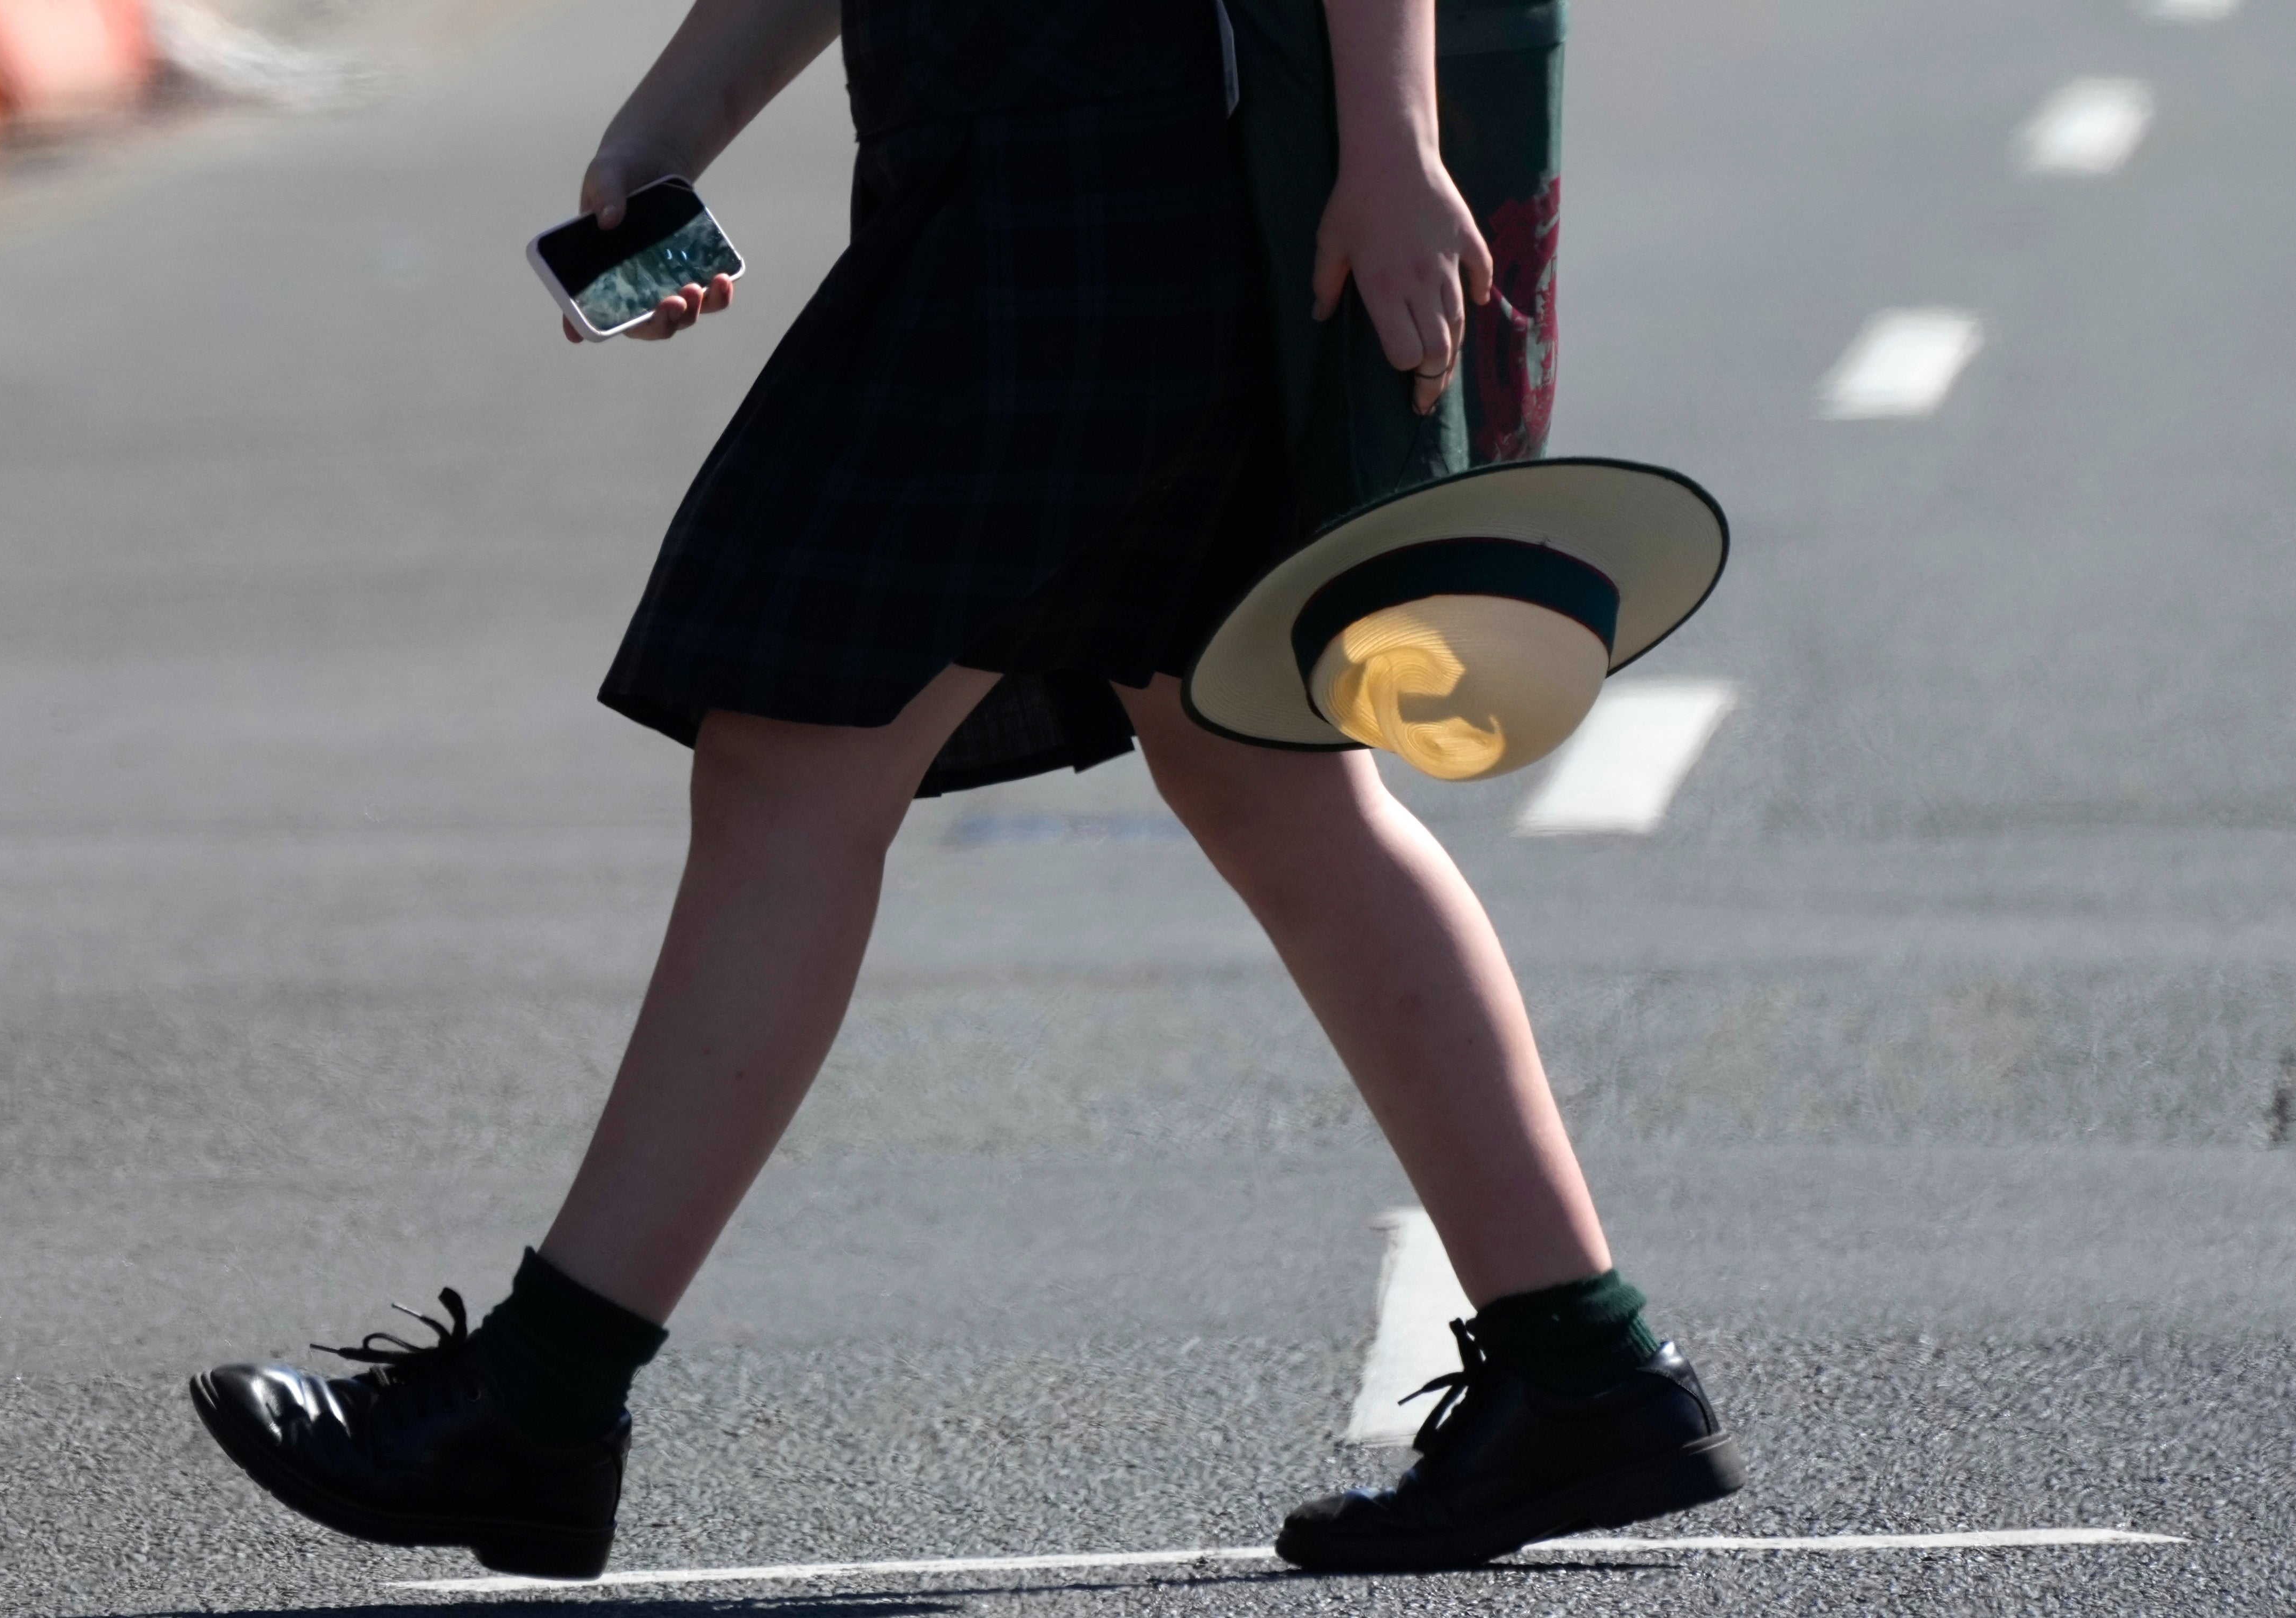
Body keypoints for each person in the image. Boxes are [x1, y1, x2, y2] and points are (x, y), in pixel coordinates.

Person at [187, 0, 1746, 1580]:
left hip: (1106, 189)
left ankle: (539, 1401)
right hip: (1026, 179)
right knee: (1256, 771)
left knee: (797, 749)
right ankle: (1581, 1366)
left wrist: (1391, 144)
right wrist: (665, 135)